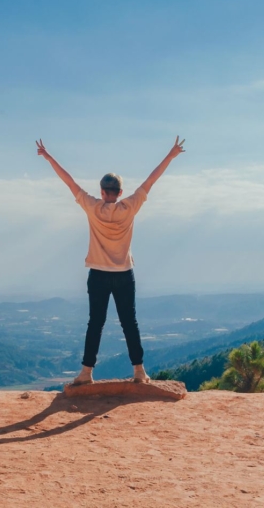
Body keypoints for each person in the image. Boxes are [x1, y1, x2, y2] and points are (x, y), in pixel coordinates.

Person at [36, 137, 185, 385]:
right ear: (120, 192)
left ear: (103, 192)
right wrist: (171, 155)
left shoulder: (92, 207)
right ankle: (139, 371)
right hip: (124, 273)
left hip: (98, 274)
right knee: (130, 323)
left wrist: (49, 157)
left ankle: (86, 372)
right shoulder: (130, 206)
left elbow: (69, 182)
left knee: (96, 323)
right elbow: (151, 180)